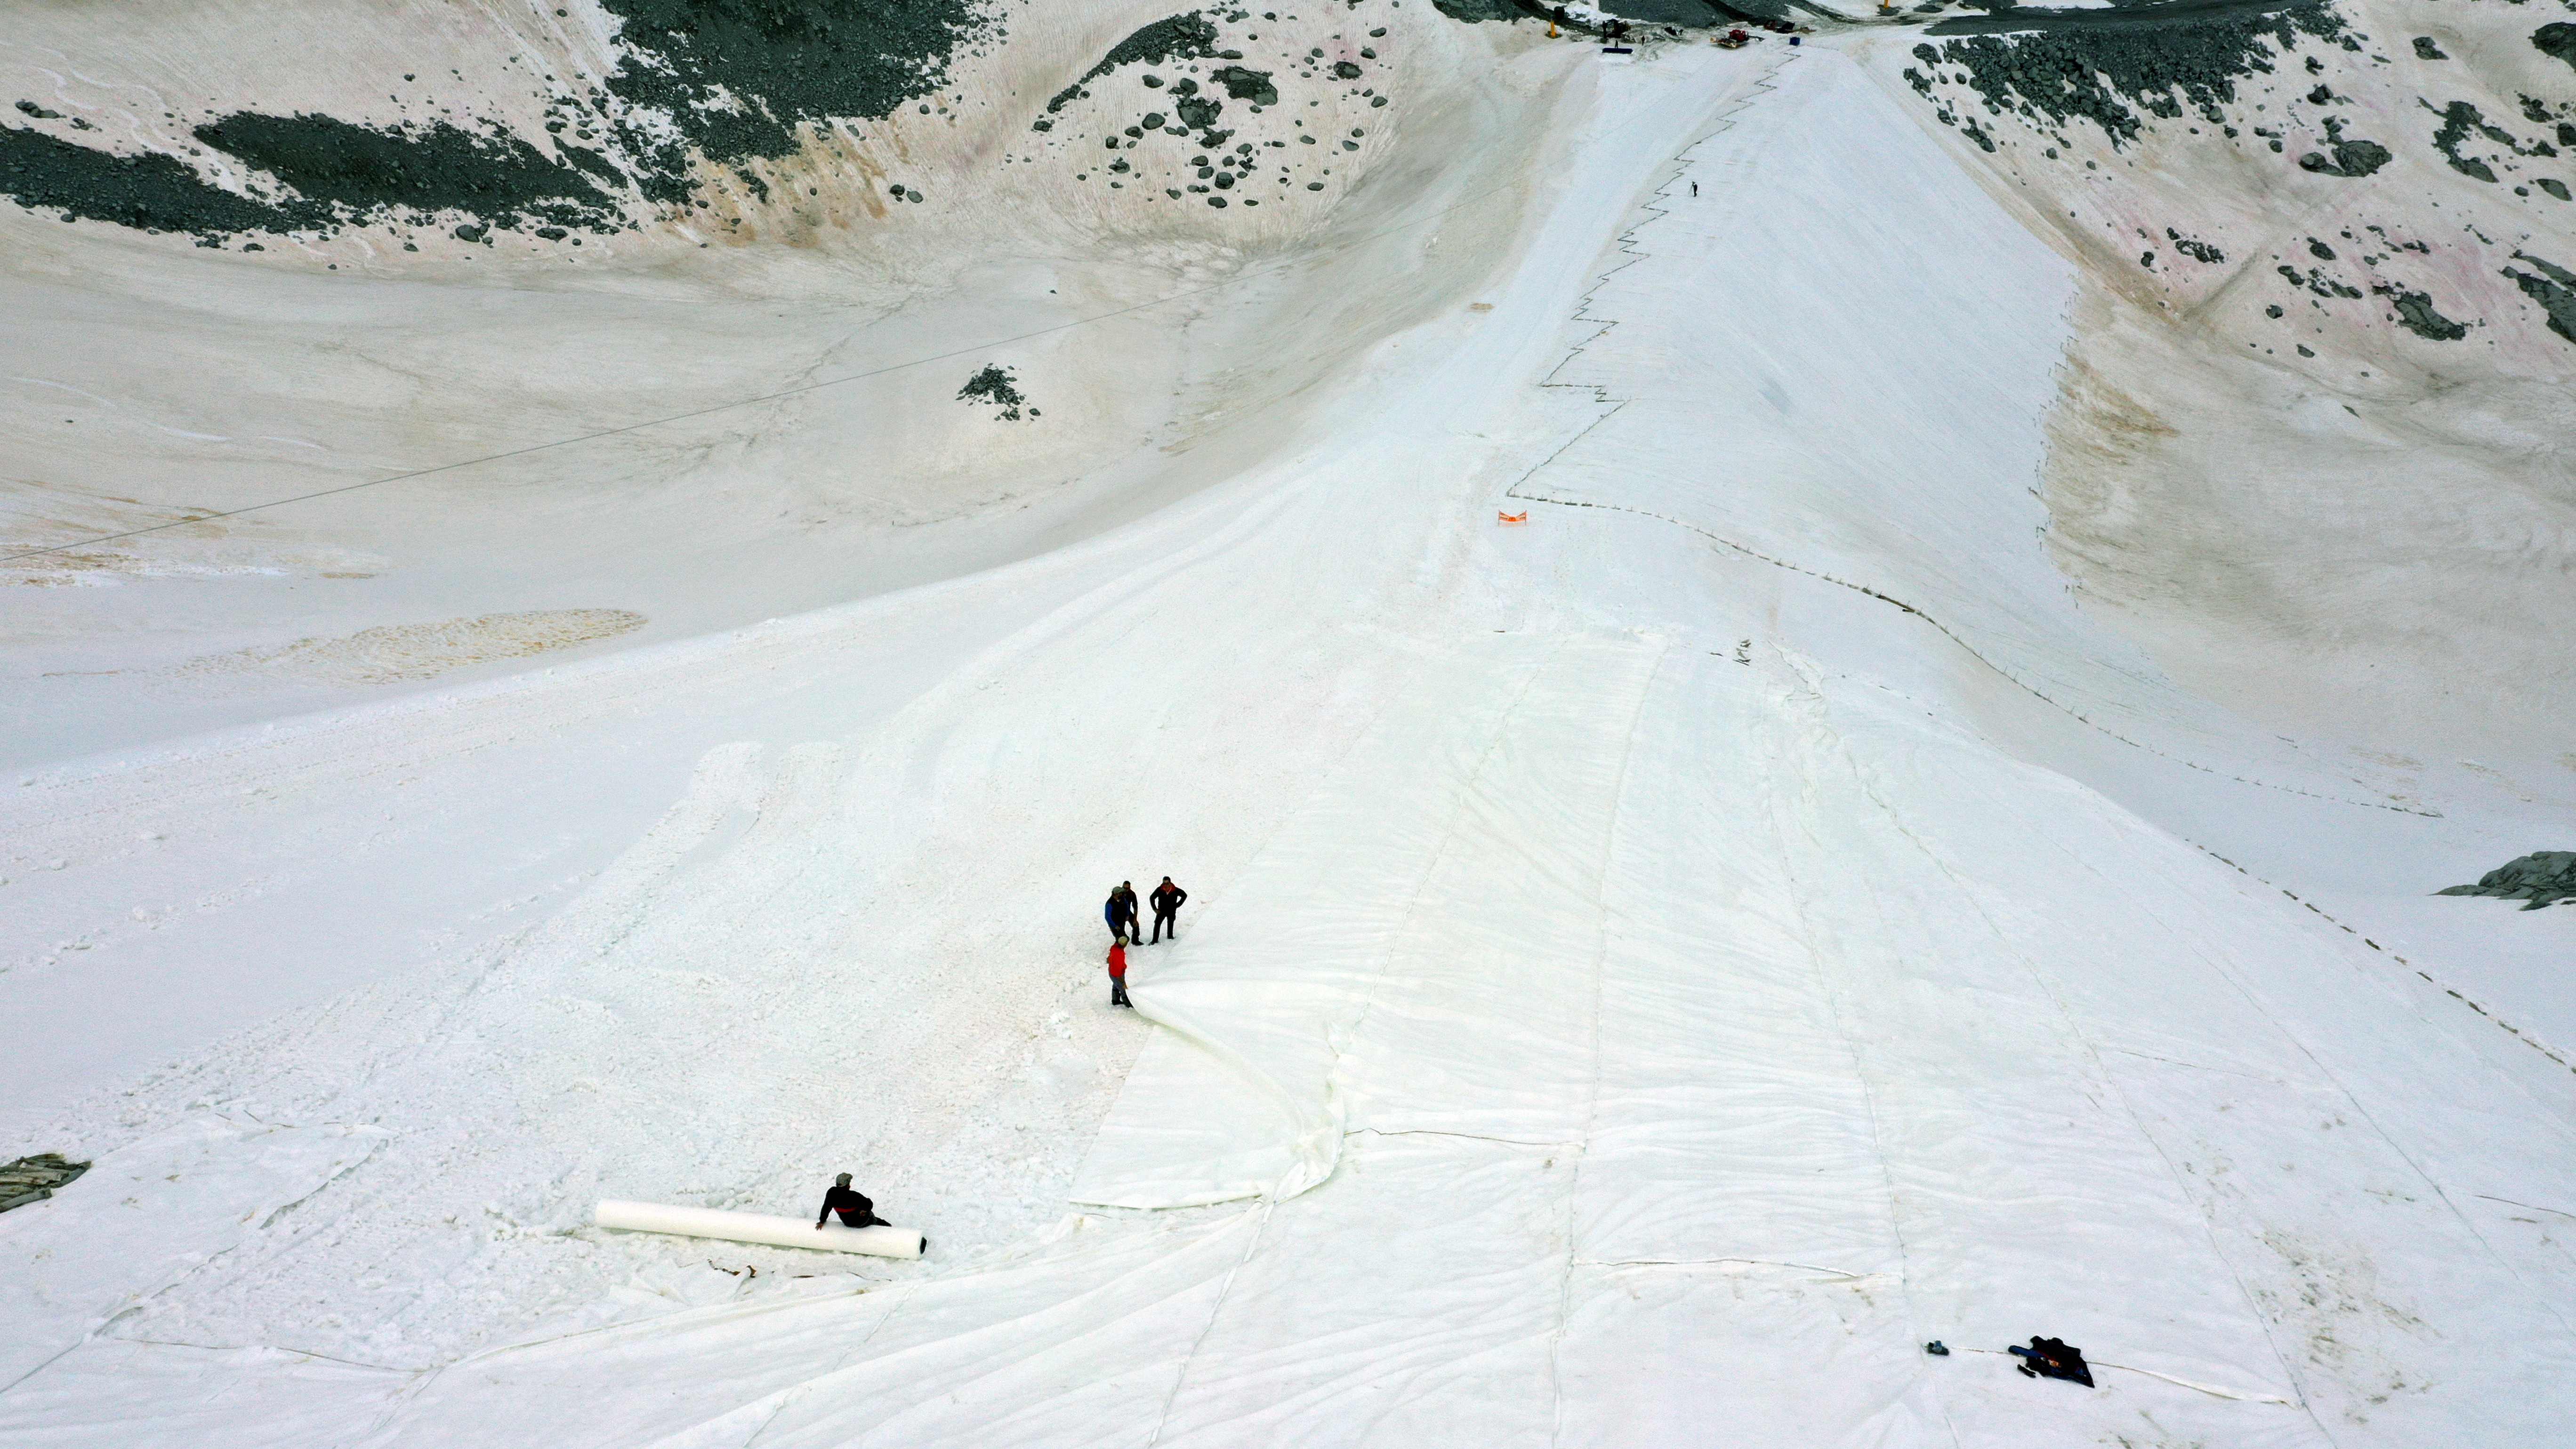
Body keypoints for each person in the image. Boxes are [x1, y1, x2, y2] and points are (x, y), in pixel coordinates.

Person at [816, 1173, 888, 1230]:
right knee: (871, 1216)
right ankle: (883, 1225)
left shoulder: (831, 1193)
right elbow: (869, 1204)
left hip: (847, 1223)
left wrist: (822, 1221)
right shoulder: (854, 1196)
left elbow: (826, 1208)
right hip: (862, 1222)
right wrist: (864, 1210)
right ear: (848, 1185)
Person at [1149, 877, 1188, 943]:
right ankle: (1155, 940)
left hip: (1172, 911)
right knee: (1157, 924)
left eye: (1167, 883)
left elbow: (1184, 895)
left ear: (1170, 883)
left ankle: (1170, 936)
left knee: (1171, 922)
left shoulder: (1175, 890)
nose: (1166, 885)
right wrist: (1155, 909)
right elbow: (1152, 898)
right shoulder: (1159, 890)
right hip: (1161, 911)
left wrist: (1178, 905)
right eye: (1164, 883)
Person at [1106, 938, 1132, 1007]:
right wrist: (1122, 981)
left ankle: (1115, 1000)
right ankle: (1128, 1004)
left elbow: (1110, 958)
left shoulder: (1115, 948)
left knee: (1116, 985)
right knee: (1122, 989)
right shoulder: (1119, 954)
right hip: (1117, 974)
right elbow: (1118, 969)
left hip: (1112, 971)